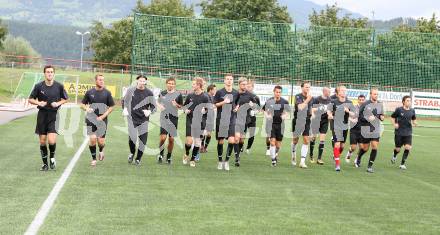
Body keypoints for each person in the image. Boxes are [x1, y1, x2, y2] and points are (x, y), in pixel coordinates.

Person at [28, 65, 68, 171]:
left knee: (51, 140)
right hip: (42, 116)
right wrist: (38, 102)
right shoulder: (38, 86)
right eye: (47, 72)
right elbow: (30, 99)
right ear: (44, 74)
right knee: (42, 141)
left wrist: (58, 103)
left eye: (51, 72)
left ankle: (52, 158)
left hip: (54, 115)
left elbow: (65, 99)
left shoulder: (59, 86)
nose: (49, 73)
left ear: (54, 73)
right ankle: (45, 164)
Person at [81, 74, 115, 167]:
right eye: (100, 80)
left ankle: (101, 151)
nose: (102, 81)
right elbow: (82, 104)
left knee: (101, 142)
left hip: (102, 121)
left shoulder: (107, 93)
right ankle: (93, 159)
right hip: (90, 119)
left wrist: (103, 116)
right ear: (95, 81)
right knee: (92, 140)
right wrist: (86, 109)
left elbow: (112, 107)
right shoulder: (89, 92)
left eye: (103, 80)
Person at [122, 75, 156, 166]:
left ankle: (138, 159)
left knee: (143, 141)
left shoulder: (149, 93)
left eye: (143, 81)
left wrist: (149, 111)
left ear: (146, 82)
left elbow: (154, 106)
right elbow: (124, 101)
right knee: (132, 138)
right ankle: (132, 153)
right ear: (137, 81)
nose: (142, 83)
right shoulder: (130, 90)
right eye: (140, 81)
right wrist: (124, 108)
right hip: (132, 118)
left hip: (144, 120)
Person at [355, 88, 384, 173]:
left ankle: (369, 166)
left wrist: (381, 117)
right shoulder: (365, 104)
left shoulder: (380, 104)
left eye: (377, 94)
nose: (376, 96)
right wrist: (367, 118)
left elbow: (381, 115)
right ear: (371, 94)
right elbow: (359, 116)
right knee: (365, 148)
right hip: (366, 128)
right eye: (374, 94)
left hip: (375, 128)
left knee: (374, 146)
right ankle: (359, 157)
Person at [214, 75, 240, 171]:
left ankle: (227, 161)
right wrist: (223, 102)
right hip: (221, 119)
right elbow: (215, 104)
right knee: (220, 141)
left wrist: (237, 107)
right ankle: (220, 161)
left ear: (233, 81)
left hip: (232, 119)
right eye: (227, 79)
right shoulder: (219, 92)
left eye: (231, 79)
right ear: (224, 81)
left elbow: (237, 103)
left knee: (232, 140)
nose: (229, 81)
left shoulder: (236, 92)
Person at [183, 77, 210, 167]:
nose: (192, 85)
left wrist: (205, 110)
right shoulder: (190, 96)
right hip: (190, 120)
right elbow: (184, 107)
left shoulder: (205, 97)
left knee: (197, 143)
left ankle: (192, 159)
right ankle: (186, 153)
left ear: (199, 85)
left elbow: (208, 109)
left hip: (201, 122)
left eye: (194, 84)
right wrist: (185, 110)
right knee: (189, 141)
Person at [157, 77, 183, 164]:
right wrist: (160, 106)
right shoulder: (162, 93)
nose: (171, 85)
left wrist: (176, 105)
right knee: (163, 138)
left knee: (171, 139)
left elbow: (181, 107)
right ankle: (160, 154)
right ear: (166, 84)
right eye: (169, 83)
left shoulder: (178, 95)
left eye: (172, 84)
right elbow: (158, 102)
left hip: (173, 119)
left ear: (174, 85)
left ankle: (169, 156)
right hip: (164, 118)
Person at [329, 86, 355, 171]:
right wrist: (330, 115)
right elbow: (328, 110)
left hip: (344, 125)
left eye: (345, 90)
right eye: (342, 90)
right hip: (336, 125)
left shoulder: (349, 102)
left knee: (342, 146)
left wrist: (348, 111)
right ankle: (337, 165)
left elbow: (354, 114)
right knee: (337, 144)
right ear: (338, 92)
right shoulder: (333, 102)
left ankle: (335, 156)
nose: (344, 92)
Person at [263, 85, 290, 166]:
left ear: (281, 93)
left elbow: (288, 111)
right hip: (271, 124)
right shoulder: (269, 101)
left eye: (279, 92)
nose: (278, 93)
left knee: (278, 145)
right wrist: (267, 115)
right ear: (274, 92)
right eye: (276, 92)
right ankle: (273, 159)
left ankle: (275, 154)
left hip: (281, 125)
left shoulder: (285, 102)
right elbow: (264, 110)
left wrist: (285, 115)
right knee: (272, 142)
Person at [390, 95, 417, 170]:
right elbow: (392, 117)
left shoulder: (412, 110)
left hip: (408, 132)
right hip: (399, 133)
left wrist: (415, 123)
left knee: (408, 147)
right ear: (403, 102)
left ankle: (402, 164)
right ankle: (394, 155)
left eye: (410, 100)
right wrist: (394, 124)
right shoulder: (399, 110)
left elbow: (414, 119)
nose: (409, 102)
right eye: (407, 101)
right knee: (398, 149)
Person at [291, 82, 313, 169]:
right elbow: (300, 108)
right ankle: (293, 153)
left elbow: (310, 109)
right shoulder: (298, 96)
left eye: (309, 87)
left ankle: (302, 162)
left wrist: (313, 116)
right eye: (306, 87)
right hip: (298, 120)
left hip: (307, 121)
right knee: (295, 140)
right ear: (302, 88)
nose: (307, 89)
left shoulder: (311, 98)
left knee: (306, 140)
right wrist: (307, 99)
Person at [309, 87, 332, 165]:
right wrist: (313, 115)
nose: (329, 93)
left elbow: (330, 110)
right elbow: (312, 109)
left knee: (322, 140)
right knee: (313, 138)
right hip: (316, 120)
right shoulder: (317, 99)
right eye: (328, 91)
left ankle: (319, 158)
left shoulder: (330, 100)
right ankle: (311, 155)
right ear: (324, 91)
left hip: (325, 121)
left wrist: (330, 115)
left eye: (330, 91)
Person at [241, 79, 260, 155]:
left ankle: (248, 148)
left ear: (253, 87)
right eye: (247, 86)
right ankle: (241, 146)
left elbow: (259, 109)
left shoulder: (256, 97)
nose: (248, 88)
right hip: (243, 118)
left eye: (249, 86)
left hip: (252, 119)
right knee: (242, 134)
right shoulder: (242, 96)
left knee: (252, 134)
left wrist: (254, 112)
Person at [345, 94, 366, 163]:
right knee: (353, 147)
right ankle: (349, 153)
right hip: (354, 130)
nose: (361, 101)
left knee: (362, 147)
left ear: (364, 100)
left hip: (362, 131)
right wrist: (351, 119)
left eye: (363, 100)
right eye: (360, 100)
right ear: (358, 100)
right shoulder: (354, 107)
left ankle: (357, 159)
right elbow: (349, 115)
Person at [201, 84, 217, 153]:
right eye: (214, 90)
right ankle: (201, 147)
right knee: (204, 133)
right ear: (210, 90)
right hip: (205, 117)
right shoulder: (205, 96)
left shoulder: (213, 97)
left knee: (209, 134)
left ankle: (205, 147)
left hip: (211, 117)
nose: (215, 91)